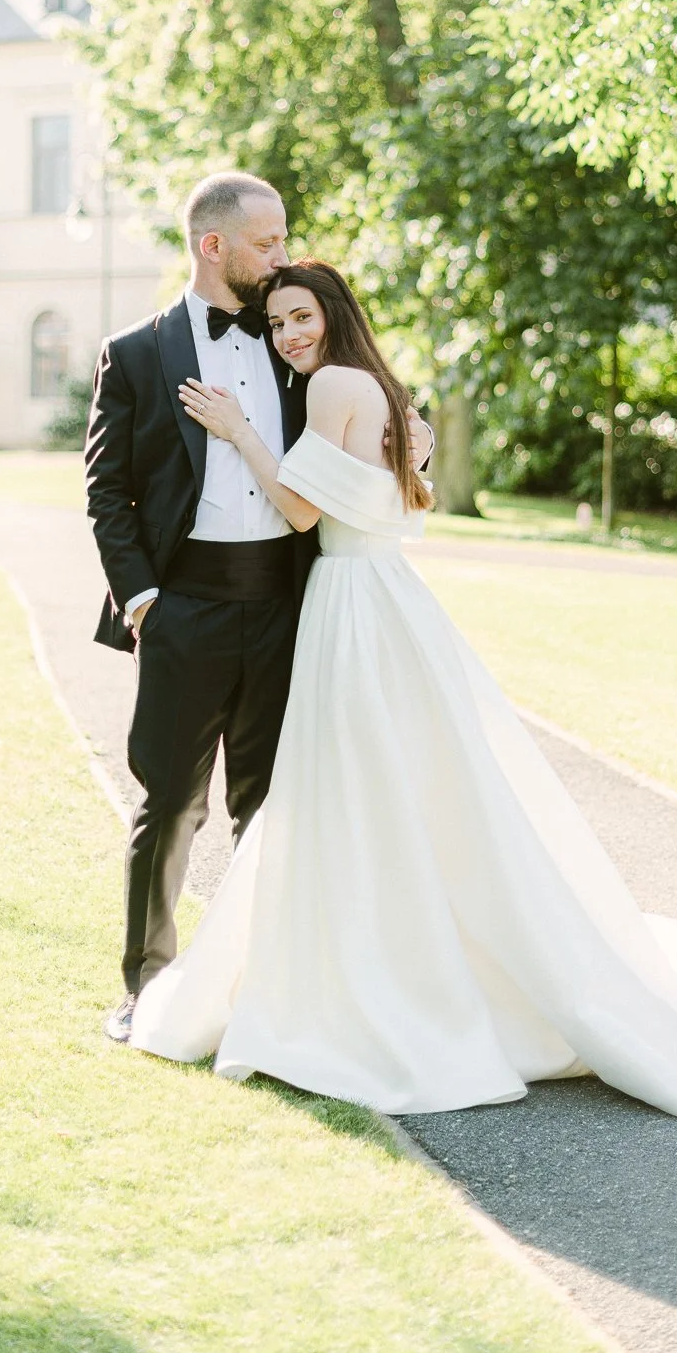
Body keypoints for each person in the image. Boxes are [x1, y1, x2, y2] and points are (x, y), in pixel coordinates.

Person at [130, 261, 677, 1118]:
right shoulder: (388, 393)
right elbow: (408, 496)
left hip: (355, 607)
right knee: (406, 784)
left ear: (333, 315)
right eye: (279, 322)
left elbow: (298, 511)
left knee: (352, 785)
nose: (289, 335)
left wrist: (237, 431)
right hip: (388, 598)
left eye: (302, 317)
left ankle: (371, 975)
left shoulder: (328, 386)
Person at [84, 177, 431, 1045]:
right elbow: (107, 491)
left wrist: (415, 433)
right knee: (170, 805)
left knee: (274, 803)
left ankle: (270, 991)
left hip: (288, 603)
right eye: (268, 242)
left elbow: (367, 396)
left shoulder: (289, 339)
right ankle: (148, 989)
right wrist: (145, 601)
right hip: (182, 608)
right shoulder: (134, 353)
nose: (282, 256)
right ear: (215, 246)